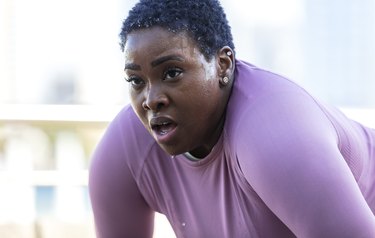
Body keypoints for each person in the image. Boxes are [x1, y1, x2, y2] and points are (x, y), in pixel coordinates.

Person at [88, 0, 375, 237]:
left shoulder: (274, 137)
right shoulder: (124, 152)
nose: (151, 99)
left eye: (172, 73)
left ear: (223, 64)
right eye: (136, 80)